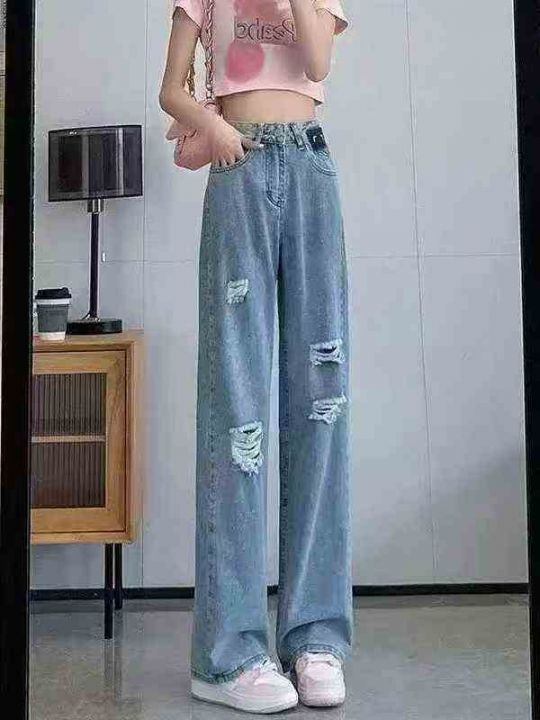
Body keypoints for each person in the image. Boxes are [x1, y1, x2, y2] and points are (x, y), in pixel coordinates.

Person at [159, 0, 353, 713]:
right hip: (239, 167)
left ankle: (316, 638)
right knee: (236, 406)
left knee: (321, 405)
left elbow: (318, 62)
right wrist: (212, 126)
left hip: (310, 167)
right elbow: (172, 88)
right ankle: (227, 654)